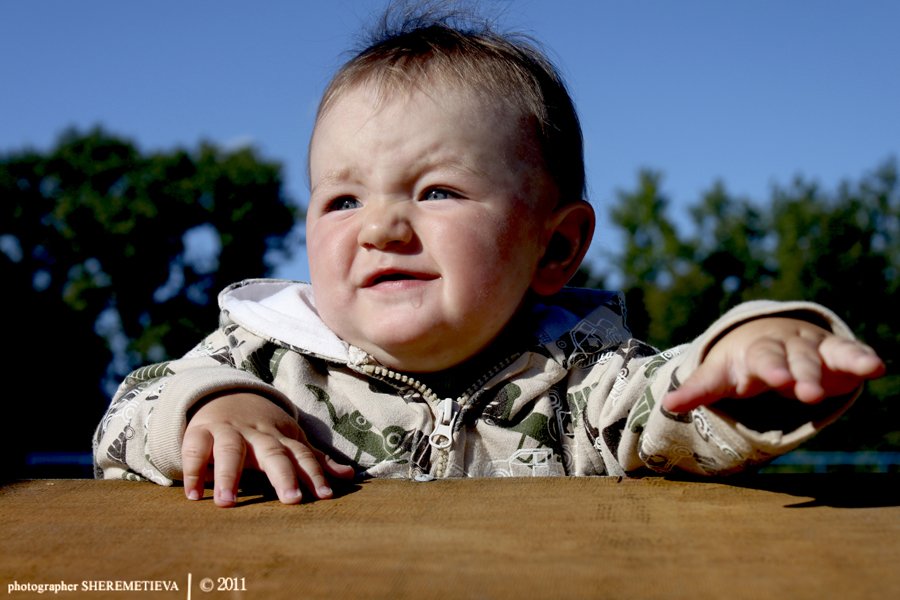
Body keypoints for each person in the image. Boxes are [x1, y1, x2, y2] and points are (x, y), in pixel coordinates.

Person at [93, 6, 885, 508]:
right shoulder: (266, 359)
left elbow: (674, 410)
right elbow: (125, 419)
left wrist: (748, 359)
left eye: (436, 192)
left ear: (559, 244)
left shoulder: (581, 381)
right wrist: (210, 410)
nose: (382, 229)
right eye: (343, 200)